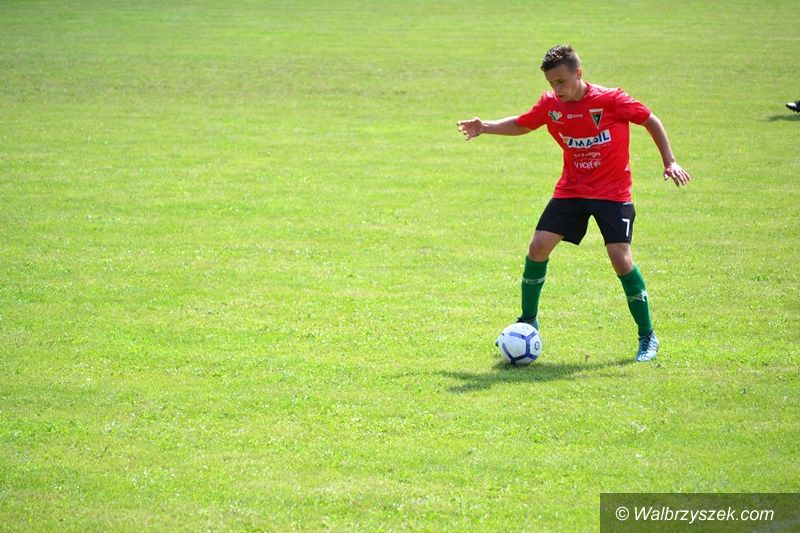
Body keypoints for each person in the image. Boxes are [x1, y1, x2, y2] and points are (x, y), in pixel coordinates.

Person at [457, 44, 691, 362]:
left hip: (612, 192)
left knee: (621, 260)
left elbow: (651, 120)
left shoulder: (611, 100)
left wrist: (669, 161)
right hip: (572, 189)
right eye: (551, 83)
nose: (557, 89)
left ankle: (647, 336)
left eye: (562, 82)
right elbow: (524, 123)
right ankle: (528, 320)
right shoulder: (551, 104)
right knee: (538, 247)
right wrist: (485, 126)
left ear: (578, 73)